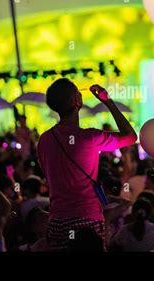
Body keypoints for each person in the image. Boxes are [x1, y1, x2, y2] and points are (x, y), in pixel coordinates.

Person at [37, 79, 137, 251]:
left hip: (57, 222)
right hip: (87, 217)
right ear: (78, 100)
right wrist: (108, 101)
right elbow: (130, 136)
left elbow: (48, 174)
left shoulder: (44, 140)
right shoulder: (90, 138)